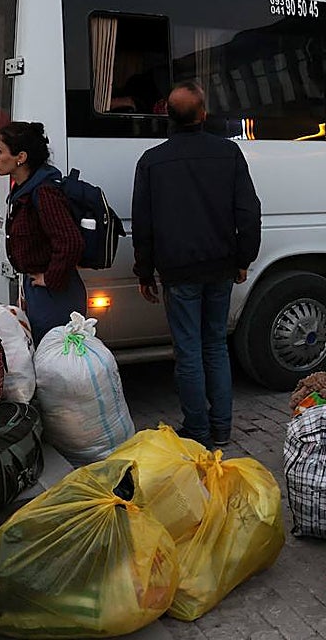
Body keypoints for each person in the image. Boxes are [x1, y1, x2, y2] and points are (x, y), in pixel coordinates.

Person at [132, 82, 262, 448]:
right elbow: (249, 212)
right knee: (216, 346)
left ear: (166, 116)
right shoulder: (229, 153)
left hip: (178, 271)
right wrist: (243, 259)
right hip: (221, 266)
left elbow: (143, 224)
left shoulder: (152, 161)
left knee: (188, 350)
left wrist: (145, 271)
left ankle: (198, 429)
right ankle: (221, 428)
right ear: (203, 115)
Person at [0, 121, 85, 345]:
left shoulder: (44, 193)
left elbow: (71, 242)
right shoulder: (24, 189)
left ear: (20, 157)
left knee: (54, 359)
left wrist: (51, 278)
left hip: (55, 297)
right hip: (36, 291)